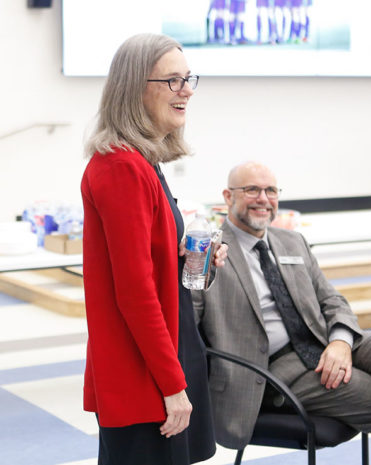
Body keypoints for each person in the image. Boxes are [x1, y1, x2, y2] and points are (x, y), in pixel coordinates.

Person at [192, 161, 371, 465]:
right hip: (271, 369)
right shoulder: (210, 251)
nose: (263, 198)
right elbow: (189, 323)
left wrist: (340, 342)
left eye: (270, 190)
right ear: (228, 196)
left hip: (322, 343)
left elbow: (332, 299)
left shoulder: (292, 241)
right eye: (252, 190)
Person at [81, 33, 227, 465]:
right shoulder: (121, 167)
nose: (187, 90)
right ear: (134, 87)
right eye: (172, 81)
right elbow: (134, 292)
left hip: (164, 359)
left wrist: (181, 255)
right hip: (144, 376)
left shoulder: (144, 161)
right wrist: (171, 384)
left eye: (188, 78)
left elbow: (145, 265)